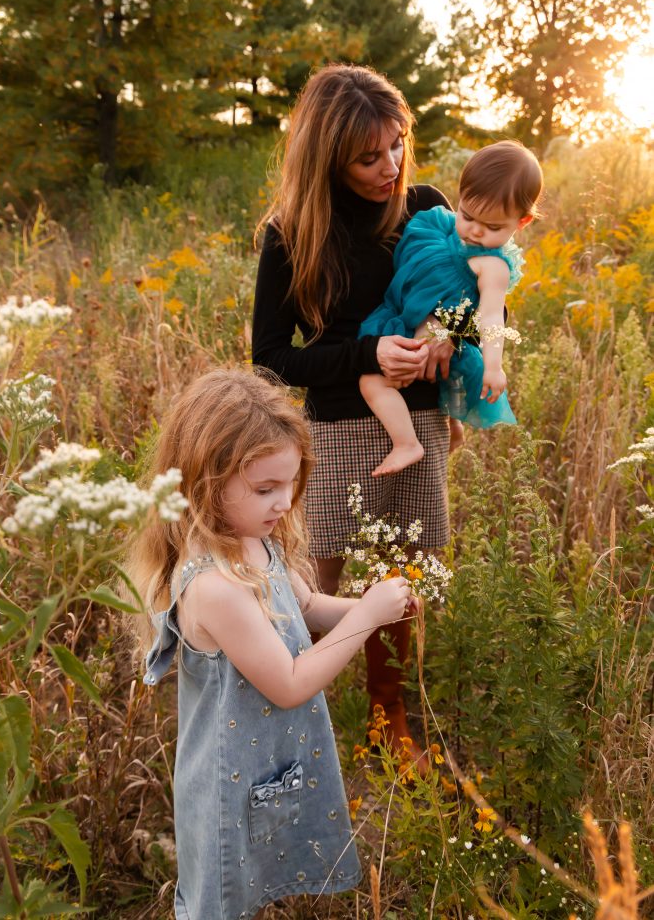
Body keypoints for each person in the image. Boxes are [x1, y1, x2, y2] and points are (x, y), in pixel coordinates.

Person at [128, 368, 416, 920]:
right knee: (221, 899)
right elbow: (289, 684)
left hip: (263, 766)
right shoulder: (215, 587)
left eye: (291, 483)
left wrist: (374, 608)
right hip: (226, 785)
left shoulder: (256, 543)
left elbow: (305, 608)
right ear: (205, 483)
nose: (284, 502)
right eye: (265, 489)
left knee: (254, 887)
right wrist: (369, 618)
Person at [252, 64, 454, 772]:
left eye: (397, 145)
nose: (390, 167)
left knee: (402, 582)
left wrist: (446, 337)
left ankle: (387, 717)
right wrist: (368, 352)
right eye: (368, 157)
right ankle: (280, 716)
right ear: (326, 158)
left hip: (418, 423)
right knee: (312, 584)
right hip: (338, 427)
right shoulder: (291, 234)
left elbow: (466, 290)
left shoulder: (424, 211)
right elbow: (271, 356)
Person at [359, 140, 543, 476]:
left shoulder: (492, 266)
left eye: (492, 227)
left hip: (440, 337)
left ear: (522, 222)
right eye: (468, 215)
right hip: (402, 317)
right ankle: (453, 429)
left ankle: (406, 443)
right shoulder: (437, 223)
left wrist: (493, 366)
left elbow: (490, 317)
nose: (474, 231)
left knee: (372, 382)